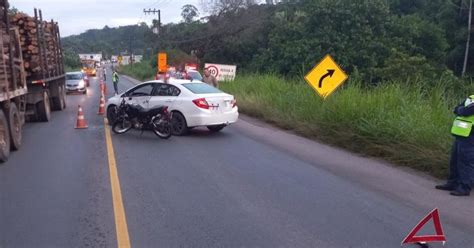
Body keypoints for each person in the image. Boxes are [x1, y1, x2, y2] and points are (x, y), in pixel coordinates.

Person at [436, 95, 474, 196]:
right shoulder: (471, 98)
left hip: (471, 136)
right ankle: (453, 183)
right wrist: (461, 109)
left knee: (465, 163)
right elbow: (456, 109)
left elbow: (465, 111)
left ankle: (465, 187)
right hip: (461, 134)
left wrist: (461, 109)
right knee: (455, 160)